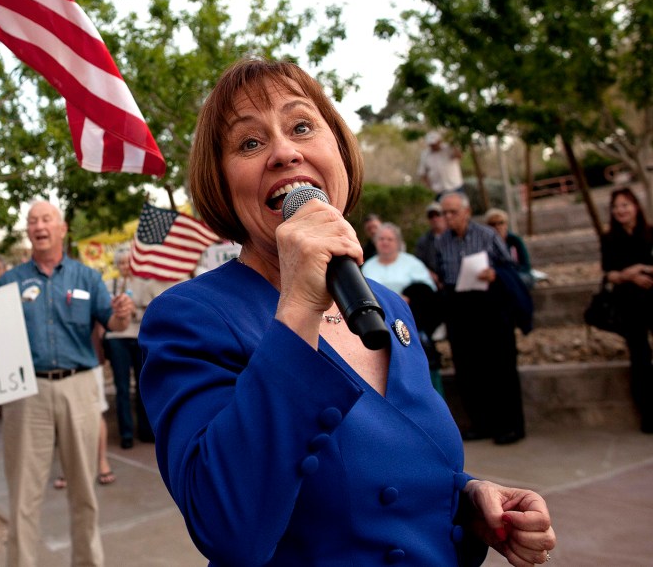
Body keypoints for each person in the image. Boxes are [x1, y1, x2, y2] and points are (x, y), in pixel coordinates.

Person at [139, 58, 555, 566]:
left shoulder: (391, 305)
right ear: (222, 184)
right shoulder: (189, 318)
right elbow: (227, 526)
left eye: (302, 126)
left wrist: (466, 498)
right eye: (250, 142)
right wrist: (298, 306)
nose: (285, 151)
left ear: (337, 149)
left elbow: (393, 461)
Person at [0, 200, 135, 567]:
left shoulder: (87, 278)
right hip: (27, 394)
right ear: (27, 232)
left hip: (79, 387)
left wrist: (122, 316)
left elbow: (113, 325)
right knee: (24, 496)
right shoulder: (8, 283)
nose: (39, 226)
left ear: (62, 229)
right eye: (32, 221)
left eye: (46, 219)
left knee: (84, 491)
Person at [436, 191, 527, 445]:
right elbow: (442, 271)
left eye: (452, 212)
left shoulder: (487, 235)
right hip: (459, 306)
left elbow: (510, 267)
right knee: (468, 368)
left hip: (490, 305)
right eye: (444, 213)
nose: (448, 217)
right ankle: (481, 423)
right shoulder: (442, 242)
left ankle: (510, 426)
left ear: (466, 211)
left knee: (500, 367)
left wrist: (494, 274)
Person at [361, 223, 444, 395]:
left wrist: (408, 298)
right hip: (380, 324)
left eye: (389, 239)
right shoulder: (368, 266)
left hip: (412, 324)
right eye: (381, 239)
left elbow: (428, 293)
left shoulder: (412, 263)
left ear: (398, 242)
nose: (385, 242)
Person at [598, 187, 653, 433]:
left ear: (636, 207)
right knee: (640, 358)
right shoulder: (610, 239)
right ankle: (648, 414)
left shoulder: (650, 233)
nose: (621, 210)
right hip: (630, 305)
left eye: (625, 205)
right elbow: (608, 273)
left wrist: (643, 270)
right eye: (616, 206)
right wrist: (627, 275)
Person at [102, 247, 156, 449]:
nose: (125, 266)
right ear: (117, 266)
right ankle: (125, 433)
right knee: (122, 387)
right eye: (121, 263)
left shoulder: (145, 285)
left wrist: (135, 311)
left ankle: (146, 430)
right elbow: (106, 312)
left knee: (142, 385)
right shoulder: (110, 285)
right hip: (117, 339)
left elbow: (151, 312)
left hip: (138, 337)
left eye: (128, 262)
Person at [485, 208, 534, 289]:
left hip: (517, 273)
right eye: (493, 224)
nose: (497, 227)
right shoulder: (485, 243)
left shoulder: (514, 241)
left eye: (500, 223)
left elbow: (525, 265)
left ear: (506, 225)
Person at [418, 130, 464, 201]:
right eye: (431, 144)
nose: (433, 146)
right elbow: (422, 173)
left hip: (455, 187)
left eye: (434, 143)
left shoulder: (448, 148)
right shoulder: (425, 155)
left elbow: (459, 156)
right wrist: (429, 187)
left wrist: (454, 143)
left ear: (439, 141)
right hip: (439, 190)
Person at [414, 201, 448, 284]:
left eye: (437, 214)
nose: (435, 219)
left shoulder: (454, 236)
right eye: (431, 216)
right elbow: (418, 263)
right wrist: (430, 274)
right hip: (434, 283)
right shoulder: (423, 241)